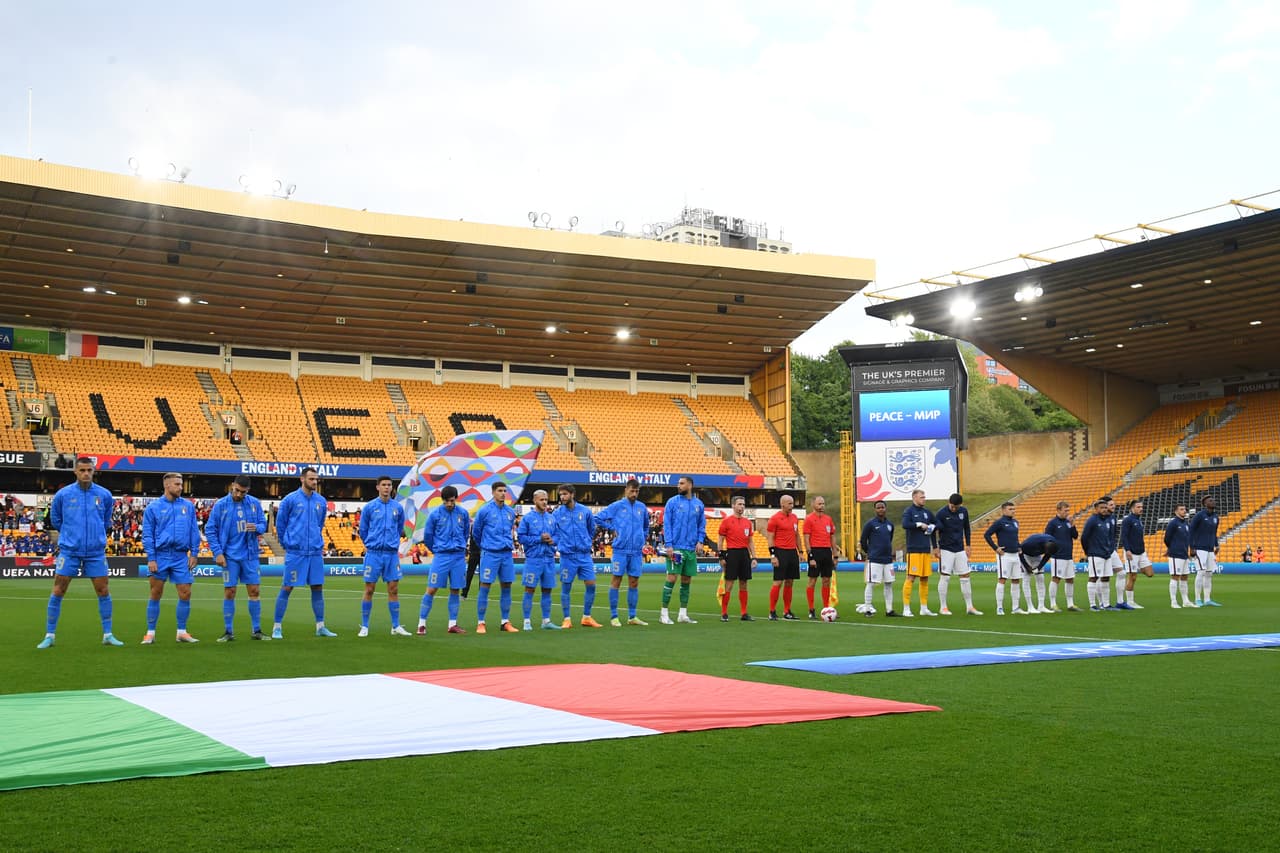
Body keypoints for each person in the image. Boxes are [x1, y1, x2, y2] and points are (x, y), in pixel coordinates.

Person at [37, 457, 124, 648]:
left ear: (94, 472)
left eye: (89, 470)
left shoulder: (105, 495)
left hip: (95, 552)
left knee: (103, 590)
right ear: (75, 472)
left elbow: (106, 520)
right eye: (82, 470)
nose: (86, 473)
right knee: (59, 590)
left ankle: (108, 634)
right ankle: (50, 635)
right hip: (70, 550)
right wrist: (71, 536)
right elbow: (56, 520)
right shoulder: (63, 495)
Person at [272, 467, 337, 639]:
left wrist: (314, 541)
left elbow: (320, 524)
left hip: (314, 552)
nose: (315, 482)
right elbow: (281, 525)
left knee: (317, 587)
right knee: (287, 587)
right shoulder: (290, 500)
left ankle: (320, 626)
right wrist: (288, 544)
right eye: (311, 479)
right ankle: (277, 626)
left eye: (316, 479)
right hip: (296, 552)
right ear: (302, 479)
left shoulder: (321, 501)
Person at [141, 473, 202, 644]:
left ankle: (181, 631)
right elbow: (147, 535)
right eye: (177, 484)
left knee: (185, 593)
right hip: (160, 556)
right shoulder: (153, 507)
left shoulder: (188, 507)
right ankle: (150, 633)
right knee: (155, 593)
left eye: (181, 484)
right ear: (167, 485)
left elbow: (193, 531)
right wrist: (151, 558)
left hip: (180, 556)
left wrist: (195, 553)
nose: (181, 487)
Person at [207, 475, 269, 641]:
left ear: (248, 491)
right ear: (232, 485)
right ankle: (228, 631)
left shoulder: (254, 503)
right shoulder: (221, 505)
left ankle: (257, 630)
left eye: (243, 492)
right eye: (237, 490)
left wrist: (257, 527)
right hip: (229, 556)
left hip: (250, 555)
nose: (239, 494)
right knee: (230, 592)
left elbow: (264, 524)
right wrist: (217, 552)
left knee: (254, 591)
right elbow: (210, 530)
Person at [357, 475, 411, 637]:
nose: (387, 487)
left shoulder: (398, 508)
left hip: (391, 554)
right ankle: (365, 626)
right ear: (377, 487)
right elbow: (363, 530)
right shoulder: (370, 507)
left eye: (389, 485)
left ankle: (395, 626)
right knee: (369, 589)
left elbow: (400, 528)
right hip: (374, 554)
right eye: (384, 485)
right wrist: (371, 544)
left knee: (393, 589)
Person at [417, 485, 471, 634]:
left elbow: (466, 532)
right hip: (441, 556)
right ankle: (421, 624)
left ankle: (452, 624)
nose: (449, 504)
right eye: (446, 501)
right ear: (442, 500)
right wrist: (438, 550)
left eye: (452, 501)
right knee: (432, 588)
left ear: (456, 499)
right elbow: (428, 536)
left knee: (455, 589)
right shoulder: (434, 515)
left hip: (458, 557)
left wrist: (459, 546)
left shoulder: (463, 514)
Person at [595, 478, 650, 626]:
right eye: (632, 491)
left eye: (637, 491)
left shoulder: (642, 507)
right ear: (626, 490)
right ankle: (614, 616)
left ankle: (632, 617)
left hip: (636, 551)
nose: (634, 494)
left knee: (634, 582)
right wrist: (612, 529)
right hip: (620, 550)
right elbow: (598, 518)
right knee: (616, 580)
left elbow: (646, 526)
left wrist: (642, 537)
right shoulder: (617, 506)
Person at [471, 482, 520, 633]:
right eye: (500, 491)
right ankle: (481, 622)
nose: (503, 493)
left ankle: (505, 621)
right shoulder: (484, 510)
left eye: (505, 491)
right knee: (485, 586)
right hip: (490, 553)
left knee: (507, 586)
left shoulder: (510, 512)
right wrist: (486, 546)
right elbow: (476, 533)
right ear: (493, 492)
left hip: (506, 554)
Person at [552, 484, 602, 629]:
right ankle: (567, 619)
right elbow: (554, 532)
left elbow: (591, 529)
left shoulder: (585, 511)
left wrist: (585, 541)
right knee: (566, 587)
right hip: (567, 556)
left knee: (591, 585)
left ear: (572, 494)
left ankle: (586, 617)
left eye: (565, 494)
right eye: (560, 494)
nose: (562, 497)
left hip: (584, 555)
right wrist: (559, 544)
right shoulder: (557, 514)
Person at [661, 475, 706, 625]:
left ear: (690, 485)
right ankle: (664, 614)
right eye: (678, 483)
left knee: (687, 580)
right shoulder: (672, 502)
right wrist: (669, 545)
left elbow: (701, 525)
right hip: (676, 548)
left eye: (681, 483)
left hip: (690, 549)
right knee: (672, 578)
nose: (678, 486)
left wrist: (700, 541)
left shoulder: (698, 504)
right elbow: (667, 524)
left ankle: (682, 614)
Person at [516, 489, 561, 630]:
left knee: (547, 590)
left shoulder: (552, 518)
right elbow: (521, 538)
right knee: (529, 589)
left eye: (546, 500)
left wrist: (552, 540)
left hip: (549, 558)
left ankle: (546, 621)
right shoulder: (527, 518)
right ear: (535, 500)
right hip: (533, 559)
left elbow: (558, 536)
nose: (545, 502)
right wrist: (539, 539)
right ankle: (526, 621)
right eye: (542, 500)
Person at [934, 492, 981, 615]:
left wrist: (968, 545)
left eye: (956, 507)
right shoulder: (941, 513)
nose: (954, 509)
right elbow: (934, 530)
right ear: (948, 503)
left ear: (960, 505)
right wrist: (935, 547)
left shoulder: (963, 511)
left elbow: (967, 528)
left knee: (965, 576)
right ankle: (943, 607)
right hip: (946, 548)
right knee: (945, 577)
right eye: (952, 506)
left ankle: (970, 607)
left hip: (960, 548)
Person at [716, 495, 756, 622]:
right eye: (739, 504)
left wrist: (754, 557)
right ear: (733, 506)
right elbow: (720, 540)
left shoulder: (748, 523)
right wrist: (721, 556)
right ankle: (724, 612)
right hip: (732, 553)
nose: (742, 507)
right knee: (729, 584)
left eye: (743, 504)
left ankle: (744, 613)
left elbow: (750, 541)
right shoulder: (726, 521)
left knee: (744, 584)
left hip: (744, 554)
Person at [766, 494, 805, 621]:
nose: (791, 506)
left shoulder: (794, 518)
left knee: (790, 581)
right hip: (780, 552)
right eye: (789, 504)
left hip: (792, 552)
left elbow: (797, 535)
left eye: (792, 503)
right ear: (782, 504)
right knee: (778, 581)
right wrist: (773, 555)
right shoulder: (775, 519)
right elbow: (770, 537)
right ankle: (772, 611)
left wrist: (800, 551)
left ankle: (787, 611)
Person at [802, 495, 841, 619]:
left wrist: (835, 555)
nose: (822, 506)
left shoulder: (828, 519)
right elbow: (806, 538)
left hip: (826, 552)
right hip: (815, 551)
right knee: (812, 580)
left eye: (823, 504)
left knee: (826, 580)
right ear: (813, 505)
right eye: (819, 504)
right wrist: (810, 556)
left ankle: (826, 608)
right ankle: (811, 609)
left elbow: (832, 538)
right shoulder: (808, 519)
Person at [901, 489, 938, 617]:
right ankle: (906, 608)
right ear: (914, 498)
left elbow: (936, 524)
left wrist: (932, 528)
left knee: (925, 578)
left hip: (925, 549)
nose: (924, 499)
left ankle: (924, 608)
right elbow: (905, 524)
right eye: (922, 497)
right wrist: (918, 524)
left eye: (924, 497)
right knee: (911, 577)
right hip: (914, 549)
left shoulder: (927, 512)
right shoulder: (909, 511)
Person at [984, 501, 1024, 616]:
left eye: (1014, 509)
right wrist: (995, 548)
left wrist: (1019, 546)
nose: (1013, 511)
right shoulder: (999, 522)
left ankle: (1015, 607)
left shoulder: (1016, 522)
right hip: (1004, 555)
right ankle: (999, 607)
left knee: (1016, 580)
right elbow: (987, 535)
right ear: (1003, 510)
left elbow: (1015, 537)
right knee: (1002, 579)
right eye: (1010, 509)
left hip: (1015, 555)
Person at [860, 500, 898, 616]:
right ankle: (867, 609)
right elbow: (863, 540)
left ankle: (889, 610)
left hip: (887, 559)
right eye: (878, 507)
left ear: (885, 508)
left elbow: (889, 539)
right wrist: (869, 551)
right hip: (875, 559)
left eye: (882, 507)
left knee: (888, 584)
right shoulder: (870, 524)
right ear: (875, 510)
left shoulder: (890, 525)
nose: (880, 509)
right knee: (871, 583)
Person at [1080, 498, 1117, 611]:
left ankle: (1106, 604)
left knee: (1106, 578)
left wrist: (1110, 549)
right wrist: (1088, 552)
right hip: (1095, 554)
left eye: (1106, 507)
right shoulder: (1092, 520)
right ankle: (1092, 605)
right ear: (1096, 509)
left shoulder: (1107, 520)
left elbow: (1112, 536)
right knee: (1093, 578)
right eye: (1102, 508)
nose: (1104, 510)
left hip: (1106, 554)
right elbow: (1084, 537)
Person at [1044, 501, 1080, 612]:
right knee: (1056, 578)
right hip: (1057, 556)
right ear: (1058, 510)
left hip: (1068, 555)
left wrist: (1073, 525)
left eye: (1068, 510)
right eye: (1065, 510)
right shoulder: (1052, 523)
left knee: (1070, 579)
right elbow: (1046, 538)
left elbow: (1075, 536)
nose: (1067, 513)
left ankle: (1070, 604)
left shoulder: (1068, 523)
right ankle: (1053, 603)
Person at [1118, 499, 1151, 610]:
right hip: (1131, 552)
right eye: (1138, 507)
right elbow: (1124, 536)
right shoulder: (1128, 520)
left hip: (1141, 552)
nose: (1141, 509)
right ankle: (1130, 602)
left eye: (1141, 507)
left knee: (1150, 573)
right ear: (1132, 508)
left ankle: (1136, 568)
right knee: (1132, 577)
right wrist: (1127, 550)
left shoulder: (1139, 520)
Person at [1189, 495, 1222, 606]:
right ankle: (1198, 599)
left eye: (1213, 500)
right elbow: (1191, 531)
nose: (1213, 501)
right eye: (1210, 500)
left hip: (1210, 549)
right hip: (1199, 549)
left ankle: (1207, 599)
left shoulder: (1216, 517)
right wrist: (1192, 547)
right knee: (1201, 572)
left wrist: (1216, 545)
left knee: (1209, 574)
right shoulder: (1199, 516)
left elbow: (1214, 533)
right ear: (1205, 504)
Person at [1164, 503, 1197, 608]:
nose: (1184, 511)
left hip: (1184, 554)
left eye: (1185, 509)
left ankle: (1185, 601)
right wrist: (1172, 548)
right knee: (1175, 577)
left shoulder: (1185, 524)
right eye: (1181, 509)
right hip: (1175, 554)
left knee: (1184, 577)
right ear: (1176, 511)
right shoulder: (1173, 523)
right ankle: (1173, 602)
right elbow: (1167, 538)